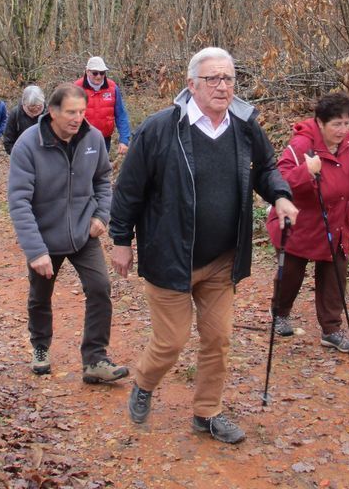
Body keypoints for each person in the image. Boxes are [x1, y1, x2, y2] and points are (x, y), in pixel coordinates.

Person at [110, 47, 298, 445]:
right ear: (191, 84)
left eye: (228, 78)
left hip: (221, 259)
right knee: (171, 341)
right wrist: (121, 240)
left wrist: (280, 195)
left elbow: (266, 168)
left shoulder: (245, 125)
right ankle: (144, 383)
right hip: (170, 258)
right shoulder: (160, 129)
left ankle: (206, 412)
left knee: (218, 338)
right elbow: (129, 190)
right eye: (212, 78)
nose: (222, 86)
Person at [7, 83, 129, 384]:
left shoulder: (92, 138)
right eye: (71, 112)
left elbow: (103, 179)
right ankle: (40, 347)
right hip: (45, 237)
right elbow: (19, 201)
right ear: (52, 112)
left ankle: (95, 359)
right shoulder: (28, 145)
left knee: (100, 288)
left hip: (83, 233)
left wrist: (101, 215)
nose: (78, 118)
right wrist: (35, 251)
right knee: (40, 296)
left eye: (82, 112)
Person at [265, 92, 349, 352]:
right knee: (291, 274)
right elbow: (279, 180)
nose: (343, 130)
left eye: (347, 123)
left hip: (336, 221)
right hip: (300, 222)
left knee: (335, 274)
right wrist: (306, 171)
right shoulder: (302, 145)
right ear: (320, 123)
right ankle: (280, 312)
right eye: (337, 124)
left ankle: (331, 329)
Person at [76, 56, 131, 155]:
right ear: (87, 71)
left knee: (102, 164)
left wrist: (124, 140)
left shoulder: (113, 88)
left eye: (102, 73)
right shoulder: (76, 88)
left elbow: (121, 115)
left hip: (104, 139)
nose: (99, 76)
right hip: (81, 139)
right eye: (95, 73)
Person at [3, 85, 45, 155]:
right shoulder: (15, 114)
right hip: (22, 156)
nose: (36, 108)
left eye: (39, 106)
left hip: (43, 156)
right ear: (24, 103)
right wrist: (18, 155)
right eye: (32, 106)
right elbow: (8, 140)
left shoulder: (48, 113)